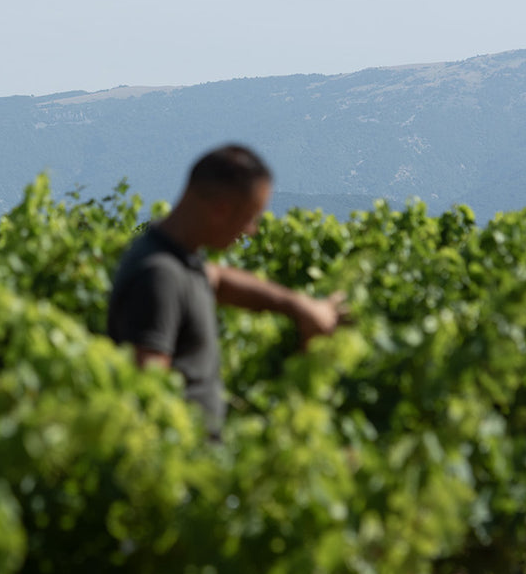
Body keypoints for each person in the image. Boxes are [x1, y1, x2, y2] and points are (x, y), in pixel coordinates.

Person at [106, 144, 350, 438]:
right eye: (251, 216)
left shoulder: (179, 258)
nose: (252, 230)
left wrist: (299, 306)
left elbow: (218, 280)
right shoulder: (160, 275)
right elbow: (149, 396)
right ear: (220, 210)